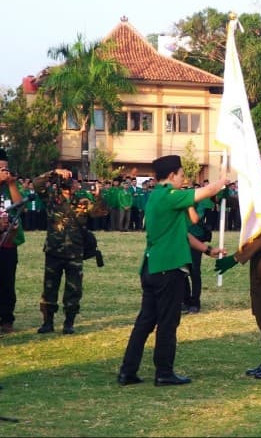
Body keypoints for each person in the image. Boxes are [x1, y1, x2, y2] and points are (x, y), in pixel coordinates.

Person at [117, 155, 227, 387]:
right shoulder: (168, 195)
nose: (183, 179)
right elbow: (205, 192)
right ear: (171, 175)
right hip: (167, 269)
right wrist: (222, 181)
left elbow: (183, 233)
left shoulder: (157, 197)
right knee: (167, 322)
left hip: (152, 267)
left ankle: (128, 370)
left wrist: (207, 250)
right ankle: (164, 372)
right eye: (181, 175)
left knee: (145, 322)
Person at [215, 158, 261, 379]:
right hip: (258, 262)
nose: (258, 180)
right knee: (260, 309)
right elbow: (246, 207)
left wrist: (235, 259)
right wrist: (225, 198)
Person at [33, 168, 105, 334]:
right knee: (50, 287)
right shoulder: (52, 198)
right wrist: (54, 173)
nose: (72, 183)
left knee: (74, 289)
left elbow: (99, 212)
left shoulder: (82, 201)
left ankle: (69, 322)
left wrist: (98, 196)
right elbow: (37, 184)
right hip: (54, 251)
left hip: (75, 252)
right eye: (69, 180)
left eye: (73, 181)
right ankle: (48, 322)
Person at [0, 149, 24, 334]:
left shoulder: (10, 186)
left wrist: (12, 184)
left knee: (8, 281)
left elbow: (20, 205)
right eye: (1, 168)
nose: (5, 171)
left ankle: (7, 319)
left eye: (6, 168)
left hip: (8, 240)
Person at [184, 187, 215, 314]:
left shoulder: (200, 204)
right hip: (182, 239)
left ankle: (195, 302)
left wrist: (189, 206)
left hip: (196, 240)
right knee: (182, 271)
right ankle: (185, 300)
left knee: (194, 271)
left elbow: (195, 219)